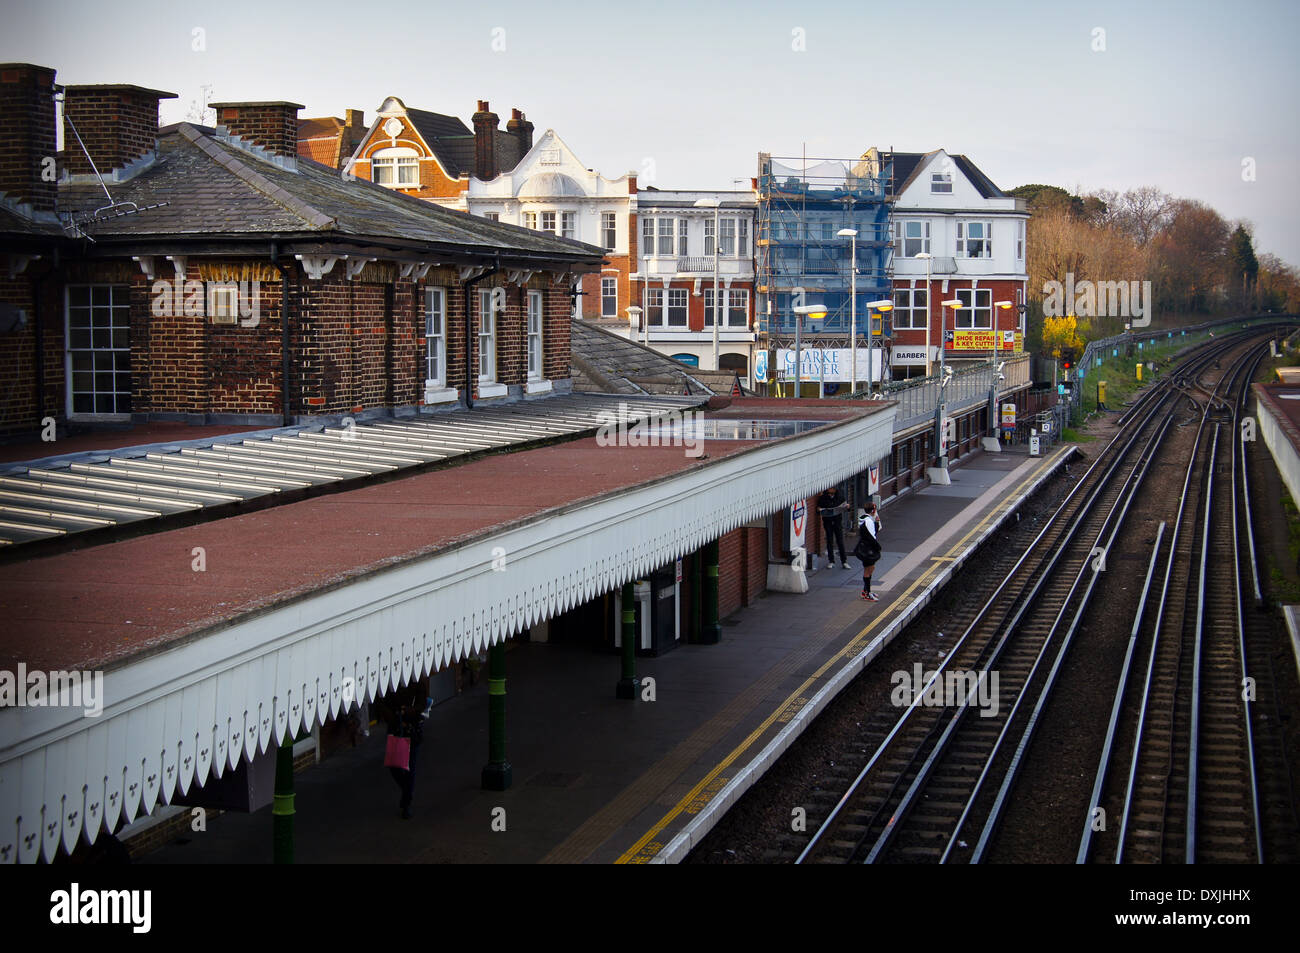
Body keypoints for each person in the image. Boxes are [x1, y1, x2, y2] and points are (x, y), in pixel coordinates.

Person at [378, 683, 428, 820]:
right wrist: (394, 718)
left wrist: (408, 711)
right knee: (394, 766)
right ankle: (407, 793)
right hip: (396, 728)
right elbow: (381, 702)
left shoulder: (417, 680)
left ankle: (407, 803)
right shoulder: (388, 682)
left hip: (412, 729)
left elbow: (422, 703)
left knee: (410, 767)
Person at [816, 486, 852, 569]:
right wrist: (818, 510)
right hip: (827, 521)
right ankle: (831, 561)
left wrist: (847, 507)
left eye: (832, 488)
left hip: (837, 521)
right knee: (829, 540)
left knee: (840, 541)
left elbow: (846, 508)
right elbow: (818, 509)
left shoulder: (840, 497)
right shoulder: (822, 498)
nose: (830, 490)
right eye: (829, 488)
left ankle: (844, 561)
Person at [854, 502, 883, 602]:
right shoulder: (868, 522)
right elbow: (872, 536)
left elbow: (872, 531)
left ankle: (866, 590)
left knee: (871, 568)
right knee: (868, 569)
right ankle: (867, 593)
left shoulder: (865, 519)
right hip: (868, 550)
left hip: (865, 548)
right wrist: (878, 547)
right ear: (873, 510)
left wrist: (876, 522)